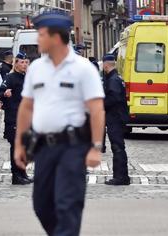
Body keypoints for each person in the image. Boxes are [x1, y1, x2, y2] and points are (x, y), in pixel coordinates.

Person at [14, 10, 105, 235]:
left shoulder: (83, 68)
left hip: (73, 147)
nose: (38, 40)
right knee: (41, 205)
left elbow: (96, 109)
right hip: (44, 146)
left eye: (41, 34)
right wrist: (19, 145)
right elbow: (26, 107)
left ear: (56, 37)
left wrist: (95, 147)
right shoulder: (36, 68)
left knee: (67, 204)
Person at [0, 52, 31, 184]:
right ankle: (16, 175)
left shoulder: (27, 77)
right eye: (21, 62)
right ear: (16, 63)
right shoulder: (10, 78)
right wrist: (5, 94)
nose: (24, 65)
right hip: (14, 118)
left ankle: (23, 173)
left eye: (26, 62)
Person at [102, 54, 130, 186]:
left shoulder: (113, 80)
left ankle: (121, 177)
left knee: (117, 147)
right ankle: (120, 176)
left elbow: (114, 99)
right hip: (116, 117)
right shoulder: (115, 78)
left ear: (106, 65)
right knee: (118, 147)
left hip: (115, 118)